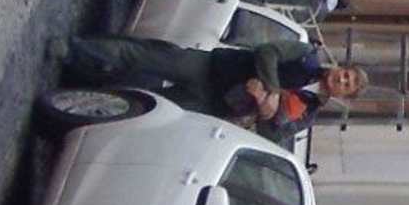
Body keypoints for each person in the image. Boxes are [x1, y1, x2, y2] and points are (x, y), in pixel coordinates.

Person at [63, 33, 368, 142]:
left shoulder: (308, 113)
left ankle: (73, 102)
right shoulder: (305, 55)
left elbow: (273, 134)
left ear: (344, 96)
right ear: (340, 67)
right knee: (143, 57)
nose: (342, 80)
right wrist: (273, 90)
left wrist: (265, 108)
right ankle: (74, 50)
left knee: (140, 108)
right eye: (346, 74)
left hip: (214, 104)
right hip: (212, 67)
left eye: (347, 85)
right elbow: (267, 51)